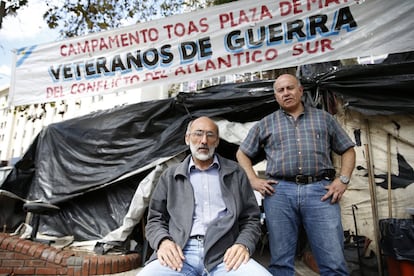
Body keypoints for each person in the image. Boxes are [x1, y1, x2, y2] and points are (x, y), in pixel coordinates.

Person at [236, 74, 356, 276]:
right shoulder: (266, 123)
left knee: (333, 261)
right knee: (281, 261)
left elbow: (348, 150)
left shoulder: (324, 118)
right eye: (280, 90)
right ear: (276, 96)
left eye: (290, 88)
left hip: (321, 191)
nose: (286, 93)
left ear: (300, 91)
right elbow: (242, 153)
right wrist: (253, 179)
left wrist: (343, 180)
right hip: (279, 193)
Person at [138, 116, 271, 276]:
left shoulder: (236, 173)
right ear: (187, 139)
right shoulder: (170, 176)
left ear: (217, 142)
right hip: (180, 254)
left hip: (226, 254)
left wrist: (243, 244)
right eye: (198, 134)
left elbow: (251, 219)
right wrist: (163, 242)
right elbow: (155, 220)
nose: (203, 141)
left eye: (210, 135)